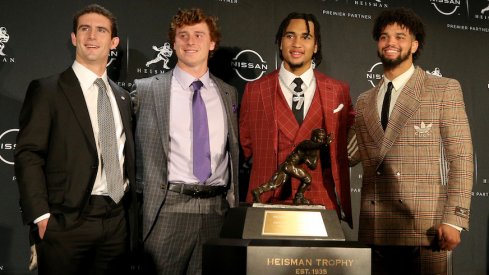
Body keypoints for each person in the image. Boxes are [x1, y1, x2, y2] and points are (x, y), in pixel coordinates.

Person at [15, 4, 138, 275]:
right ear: (74, 38)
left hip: (116, 219)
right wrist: (42, 217)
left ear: (113, 42)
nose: (92, 36)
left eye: (101, 30)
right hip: (66, 221)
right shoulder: (47, 90)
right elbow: (28, 155)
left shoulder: (123, 97)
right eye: (85, 29)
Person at [352, 7, 473, 274]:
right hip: (375, 229)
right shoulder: (363, 101)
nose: (391, 42)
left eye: (400, 36)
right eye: (384, 37)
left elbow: (461, 158)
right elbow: (350, 155)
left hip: (425, 230)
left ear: (414, 44)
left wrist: (455, 219)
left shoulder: (443, 89)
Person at [131, 8, 239, 275]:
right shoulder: (146, 89)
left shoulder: (228, 93)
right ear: (174, 42)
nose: (190, 42)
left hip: (217, 211)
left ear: (212, 43)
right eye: (183, 35)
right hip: (166, 207)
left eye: (199, 35)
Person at [239, 12, 355, 226]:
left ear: (316, 45)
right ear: (280, 42)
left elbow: (353, 140)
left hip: (322, 204)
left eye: (306, 37)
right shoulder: (255, 91)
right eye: (290, 36)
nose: (297, 43)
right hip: (267, 203)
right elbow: (244, 147)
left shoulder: (339, 91)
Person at [252, 128, 332, 205]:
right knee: (306, 179)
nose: (321, 141)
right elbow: (313, 145)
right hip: (289, 165)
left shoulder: (316, 150)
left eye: (322, 139)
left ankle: (258, 191)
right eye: (319, 138)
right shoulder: (306, 143)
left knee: (276, 184)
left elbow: (313, 166)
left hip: (289, 167)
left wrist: (306, 159)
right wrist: (324, 144)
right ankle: (298, 197)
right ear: (314, 137)